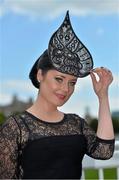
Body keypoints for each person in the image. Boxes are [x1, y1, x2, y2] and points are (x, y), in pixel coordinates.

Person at [0, 11, 115, 179]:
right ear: (40, 75)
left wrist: (103, 96)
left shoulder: (76, 123)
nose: (65, 89)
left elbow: (104, 152)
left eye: (72, 83)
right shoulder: (15, 128)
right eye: (59, 79)